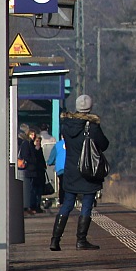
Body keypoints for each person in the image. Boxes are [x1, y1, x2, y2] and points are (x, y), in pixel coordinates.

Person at [50, 94, 109, 251]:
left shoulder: (66, 126)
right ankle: (81, 241)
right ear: (90, 108)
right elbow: (104, 144)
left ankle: (55, 240)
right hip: (87, 171)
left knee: (67, 203)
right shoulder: (92, 126)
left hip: (70, 171)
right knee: (87, 205)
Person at [18, 127, 45, 215]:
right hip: (30, 169)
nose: (33, 136)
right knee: (31, 189)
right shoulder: (27, 143)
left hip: (33, 169)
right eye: (31, 134)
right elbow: (27, 156)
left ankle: (32, 206)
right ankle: (30, 206)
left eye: (34, 134)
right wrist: (33, 161)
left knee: (33, 189)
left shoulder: (30, 144)